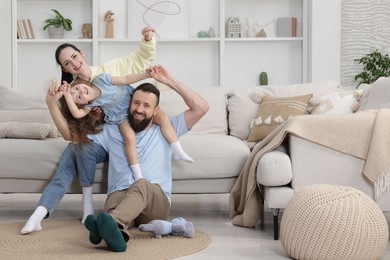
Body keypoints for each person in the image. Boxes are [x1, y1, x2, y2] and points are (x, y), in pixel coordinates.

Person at [21, 26, 156, 235]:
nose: (74, 63)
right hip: (95, 141)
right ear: (65, 69)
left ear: (82, 54)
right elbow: (70, 133)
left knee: (78, 146)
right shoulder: (72, 92)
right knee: (74, 149)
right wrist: (51, 103)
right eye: (67, 63)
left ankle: (81, 207)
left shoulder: (106, 73)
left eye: (75, 56)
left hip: (117, 138)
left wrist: (147, 39)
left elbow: (138, 61)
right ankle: (40, 213)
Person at [84, 65, 209, 252]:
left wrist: (168, 80)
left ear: (155, 111)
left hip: (154, 202)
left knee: (141, 183)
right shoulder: (112, 129)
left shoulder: (168, 129)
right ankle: (117, 235)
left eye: (146, 105)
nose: (139, 109)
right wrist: (91, 114)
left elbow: (202, 107)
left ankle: (110, 222)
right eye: (136, 103)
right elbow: (79, 139)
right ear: (129, 103)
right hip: (121, 195)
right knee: (114, 203)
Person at [60, 71, 193, 180]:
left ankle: (178, 150)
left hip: (135, 102)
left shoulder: (101, 79)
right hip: (121, 117)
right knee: (129, 138)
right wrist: (67, 94)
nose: (81, 92)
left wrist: (146, 74)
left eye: (77, 88)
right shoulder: (91, 104)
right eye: (78, 97)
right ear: (84, 102)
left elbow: (125, 78)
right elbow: (77, 114)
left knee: (163, 119)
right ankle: (137, 173)